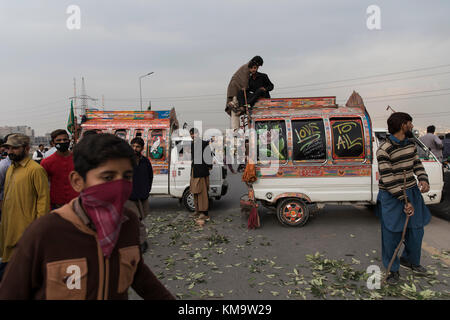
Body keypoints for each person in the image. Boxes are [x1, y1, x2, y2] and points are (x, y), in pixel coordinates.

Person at [0, 133, 175, 300]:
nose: (119, 186)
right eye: (108, 176)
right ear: (78, 181)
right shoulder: (45, 232)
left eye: (127, 176)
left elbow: (140, 275)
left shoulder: (128, 223)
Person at [376, 112, 431, 285]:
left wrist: (423, 178)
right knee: (392, 233)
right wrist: (404, 201)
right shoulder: (384, 149)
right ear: (402, 125)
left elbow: (416, 163)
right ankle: (392, 269)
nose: (412, 126)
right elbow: (388, 178)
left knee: (416, 231)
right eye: (410, 123)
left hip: (412, 191)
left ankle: (410, 260)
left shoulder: (411, 144)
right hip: (392, 196)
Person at [0, 134, 50, 281]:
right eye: (8, 148)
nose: (10, 151)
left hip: (26, 232)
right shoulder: (10, 169)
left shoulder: (35, 170)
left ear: (27, 148)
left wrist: (38, 231)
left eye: (15, 148)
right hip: (9, 229)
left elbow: (43, 202)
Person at [40, 129, 79, 210]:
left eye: (65, 139)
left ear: (69, 141)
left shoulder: (79, 159)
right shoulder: (46, 162)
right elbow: (43, 186)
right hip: (56, 205)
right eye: (59, 140)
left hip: (77, 204)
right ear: (53, 143)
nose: (62, 142)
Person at [129, 137, 153, 254]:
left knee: (141, 218)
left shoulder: (145, 161)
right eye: (133, 146)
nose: (135, 149)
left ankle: (137, 240)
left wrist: (147, 190)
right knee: (137, 220)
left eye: (137, 146)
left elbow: (150, 177)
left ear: (142, 148)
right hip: (130, 196)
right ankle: (142, 242)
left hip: (142, 196)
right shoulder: (127, 162)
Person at [226, 56, 264, 130]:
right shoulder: (246, 69)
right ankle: (235, 131)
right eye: (258, 66)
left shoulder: (247, 68)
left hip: (237, 91)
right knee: (235, 112)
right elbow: (245, 85)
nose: (257, 68)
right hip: (235, 90)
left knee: (238, 111)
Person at [190, 128, 213, 223]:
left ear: (197, 134)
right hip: (195, 171)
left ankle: (205, 213)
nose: (192, 136)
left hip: (202, 172)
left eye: (193, 134)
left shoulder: (204, 143)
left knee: (202, 193)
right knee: (195, 191)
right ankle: (198, 210)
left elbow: (208, 156)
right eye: (191, 134)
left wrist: (209, 166)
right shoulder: (192, 144)